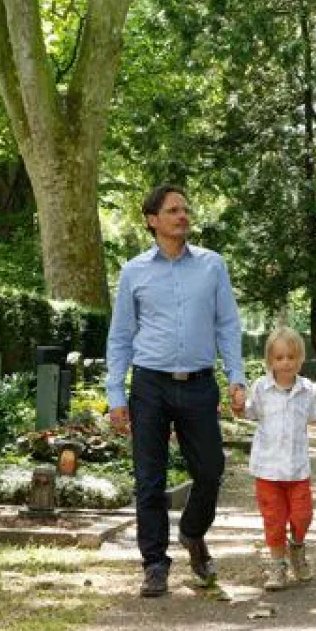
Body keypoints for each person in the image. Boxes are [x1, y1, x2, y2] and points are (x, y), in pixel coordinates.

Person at [106, 184, 247, 598]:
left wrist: (234, 376)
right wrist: (116, 394)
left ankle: (192, 532)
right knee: (149, 477)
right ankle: (154, 563)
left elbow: (228, 324)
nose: (182, 216)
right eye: (173, 210)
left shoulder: (211, 265)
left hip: (199, 384)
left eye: (185, 209)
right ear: (152, 220)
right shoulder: (134, 271)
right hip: (150, 383)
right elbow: (121, 336)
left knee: (210, 472)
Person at [245, 326, 316, 591]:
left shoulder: (307, 389)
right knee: (274, 520)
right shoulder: (261, 388)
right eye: (279, 358)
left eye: (291, 357)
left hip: (297, 470)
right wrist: (238, 406)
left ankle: (297, 548)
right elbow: (250, 413)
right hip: (268, 470)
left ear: (300, 359)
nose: (285, 362)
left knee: (303, 516)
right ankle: (277, 566)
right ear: (270, 361)